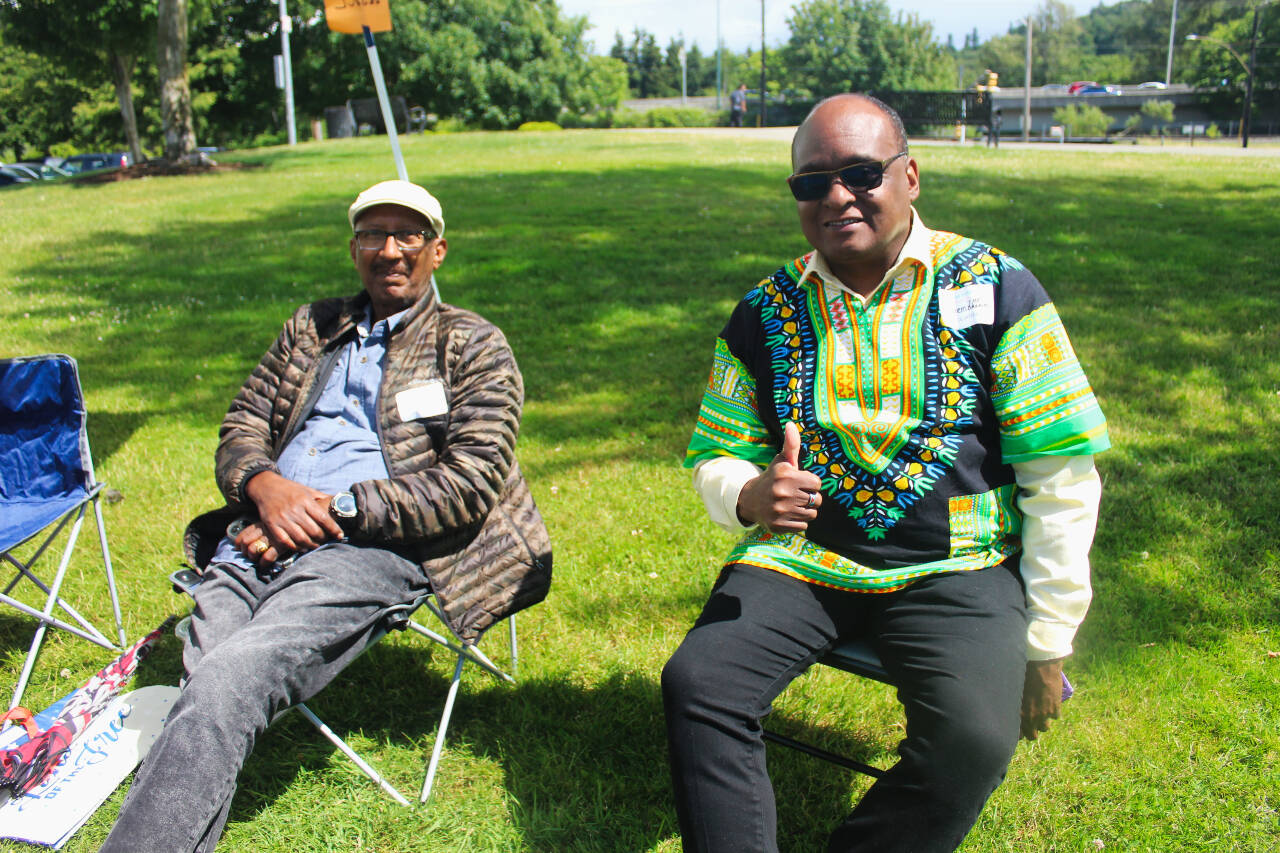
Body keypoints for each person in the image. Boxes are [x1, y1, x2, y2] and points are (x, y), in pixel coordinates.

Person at [663, 93, 1108, 852]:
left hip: (958, 567)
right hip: (802, 561)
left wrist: (1048, 637)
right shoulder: (765, 310)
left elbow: (1060, 473)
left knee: (972, 737)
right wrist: (747, 491)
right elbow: (718, 449)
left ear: (911, 175)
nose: (837, 196)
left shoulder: (998, 287)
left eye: (862, 173)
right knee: (698, 684)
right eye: (812, 182)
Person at [101, 180, 552, 852]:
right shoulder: (312, 326)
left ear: (438, 251)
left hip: (375, 546)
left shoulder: (471, 344)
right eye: (374, 235)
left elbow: (471, 480)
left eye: (408, 236)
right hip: (255, 538)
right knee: (212, 685)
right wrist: (260, 486)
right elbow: (243, 424)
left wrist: (325, 511)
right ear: (353, 249)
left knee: (226, 676)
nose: (390, 250)